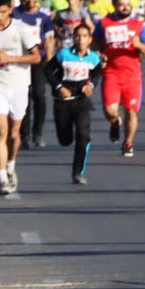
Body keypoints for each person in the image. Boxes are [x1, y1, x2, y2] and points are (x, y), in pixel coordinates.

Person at [0, 0, 42, 196]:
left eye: (3, 12)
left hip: (20, 85)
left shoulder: (22, 30)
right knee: (1, 131)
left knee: (14, 134)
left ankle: (11, 166)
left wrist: (10, 58)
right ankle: (3, 179)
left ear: (10, 10)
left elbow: (36, 57)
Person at [94, 0, 145, 157]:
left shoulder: (139, 25)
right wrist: (99, 54)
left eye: (127, 4)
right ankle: (114, 122)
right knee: (110, 110)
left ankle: (128, 142)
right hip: (111, 72)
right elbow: (94, 42)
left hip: (132, 75)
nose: (125, 7)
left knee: (130, 111)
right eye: (121, 4)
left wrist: (139, 45)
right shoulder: (104, 23)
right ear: (114, 5)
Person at [45, 24, 103, 184]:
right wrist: (59, 87)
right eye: (77, 36)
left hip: (81, 101)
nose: (81, 39)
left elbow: (97, 73)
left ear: (90, 39)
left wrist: (90, 86)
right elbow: (48, 71)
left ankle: (77, 172)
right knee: (65, 139)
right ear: (73, 38)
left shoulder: (93, 58)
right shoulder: (63, 54)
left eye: (84, 36)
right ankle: (65, 137)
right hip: (62, 101)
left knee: (83, 135)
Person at [14, 0, 56, 150]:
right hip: (20, 60)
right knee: (23, 98)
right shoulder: (14, 15)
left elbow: (49, 40)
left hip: (39, 61)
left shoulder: (44, 17)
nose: (30, 0)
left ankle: (37, 133)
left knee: (39, 95)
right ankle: (23, 135)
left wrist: (51, 62)